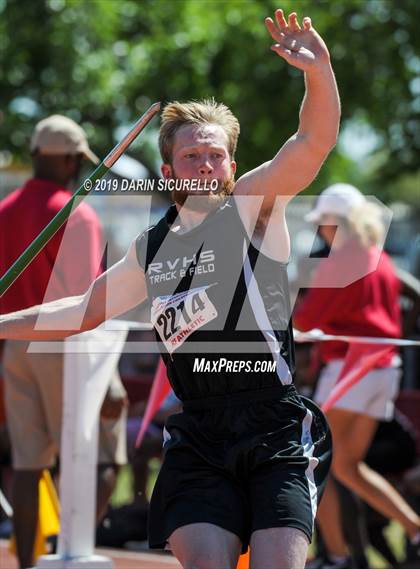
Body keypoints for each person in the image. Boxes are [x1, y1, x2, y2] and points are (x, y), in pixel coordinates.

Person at [0, 9, 340, 568]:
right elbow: (84, 309)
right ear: (168, 170)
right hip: (198, 434)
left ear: (232, 164)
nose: (204, 165)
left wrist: (318, 72)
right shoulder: (151, 248)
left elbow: (312, 140)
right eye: (190, 156)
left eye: (215, 156)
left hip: (273, 426)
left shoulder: (251, 206)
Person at [0, 115, 127, 569]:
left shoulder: (5, 209)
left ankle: (31, 565)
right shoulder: (77, 210)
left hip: (14, 344)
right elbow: (85, 302)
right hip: (65, 347)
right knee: (103, 454)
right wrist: (108, 376)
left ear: (36, 154)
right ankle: (69, 554)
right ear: (72, 159)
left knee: (28, 465)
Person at [294, 184, 420, 568]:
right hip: (383, 371)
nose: (321, 231)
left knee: (311, 461)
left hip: (350, 370)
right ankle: (416, 529)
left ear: (336, 222)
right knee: (347, 465)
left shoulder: (341, 260)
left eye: (324, 224)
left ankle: (335, 556)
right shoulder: (379, 259)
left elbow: (304, 320)